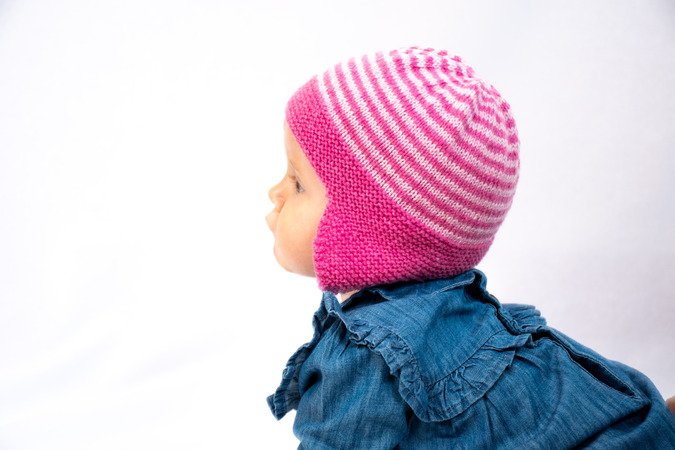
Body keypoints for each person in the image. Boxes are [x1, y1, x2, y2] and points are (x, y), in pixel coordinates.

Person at [265, 47, 675, 448]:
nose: (275, 193)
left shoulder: (361, 357)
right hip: (632, 420)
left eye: (298, 183)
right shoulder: (450, 304)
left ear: (368, 228)